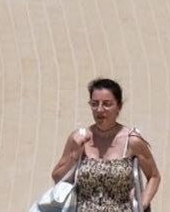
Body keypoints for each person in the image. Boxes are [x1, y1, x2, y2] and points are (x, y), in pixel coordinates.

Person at [48, 78, 161, 211]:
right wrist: (74, 154)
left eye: (107, 104)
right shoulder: (79, 138)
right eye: (94, 104)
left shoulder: (132, 141)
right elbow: (57, 177)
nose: (100, 109)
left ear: (119, 106)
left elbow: (154, 176)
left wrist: (142, 204)